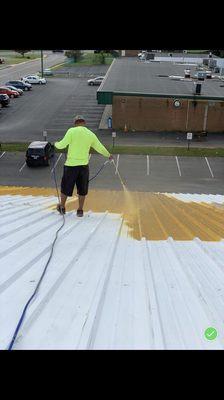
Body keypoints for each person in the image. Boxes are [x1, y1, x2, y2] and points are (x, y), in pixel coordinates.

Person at [54, 115, 113, 217]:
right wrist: (108, 155)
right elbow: (99, 147)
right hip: (83, 167)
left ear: (75, 123)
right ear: (84, 123)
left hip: (71, 166)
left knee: (66, 187)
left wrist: (55, 144)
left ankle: (62, 207)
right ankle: (80, 210)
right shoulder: (90, 134)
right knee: (82, 189)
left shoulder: (71, 131)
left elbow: (62, 145)